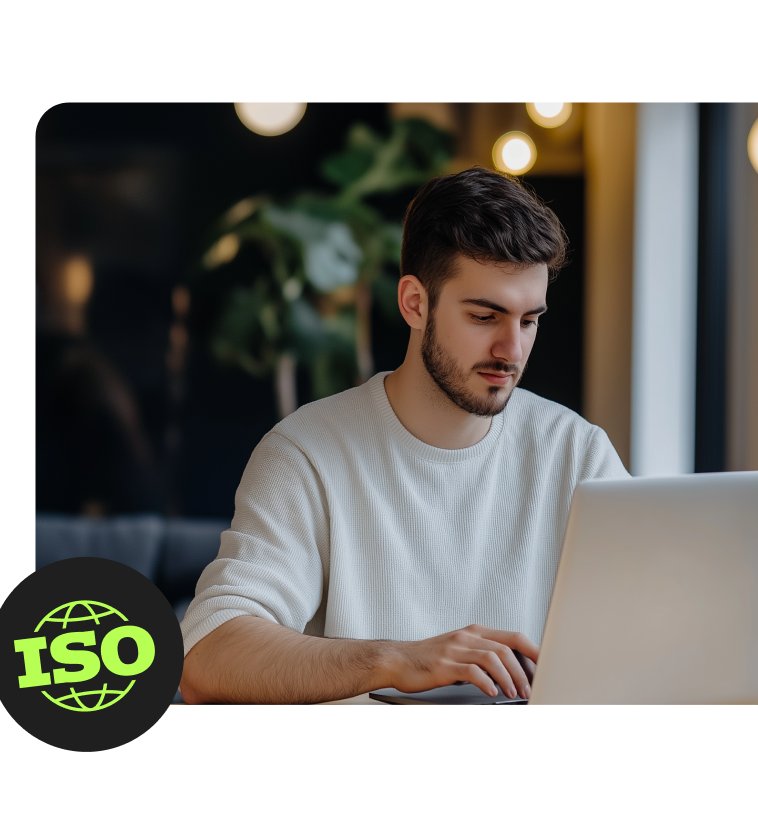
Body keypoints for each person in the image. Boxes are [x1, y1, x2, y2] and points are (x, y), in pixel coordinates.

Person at [179, 167, 629, 704]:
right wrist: (399, 659)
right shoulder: (308, 453)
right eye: (485, 316)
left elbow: (659, 620)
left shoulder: (576, 451)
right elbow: (205, 654)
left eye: (529, 320)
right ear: (415, 303)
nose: (512, 350)